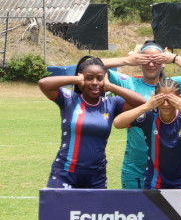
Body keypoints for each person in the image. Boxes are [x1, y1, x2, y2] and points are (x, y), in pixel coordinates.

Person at [100, 40, 181, 190]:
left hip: (167, 167)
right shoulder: (128, 83)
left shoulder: (171, 85)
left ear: (163, 62)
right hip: (135, 165)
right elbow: (91, 66)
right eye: (145, 59)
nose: (151, 64)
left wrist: (174, 58)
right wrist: (128, 60)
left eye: (156, 59)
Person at [38, 56, 146, 189]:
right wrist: (76, 79)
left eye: (99, 78)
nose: (95, 82)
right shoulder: (69, 99)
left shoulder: (111, 104)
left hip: (96, 177)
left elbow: (141, 102)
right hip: (65, 174)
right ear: (81, 78)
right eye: (89, 78)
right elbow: (43, 84)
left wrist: (111, 86)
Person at [112, 78, 181, 189]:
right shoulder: (149, 115)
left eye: (170, 99)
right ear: (155, 98)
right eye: (161, 99)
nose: (166, 104)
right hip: (155, 184)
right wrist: (146, 106)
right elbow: (117, 123)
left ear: (179, 98)